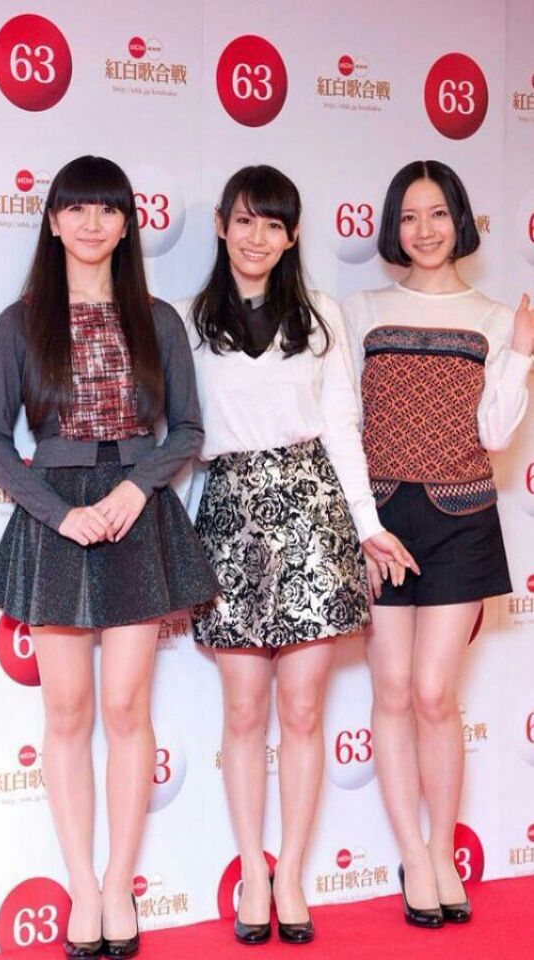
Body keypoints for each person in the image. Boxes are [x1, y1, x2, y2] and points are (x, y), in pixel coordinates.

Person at [176, 165, 417, 945]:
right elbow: (182, 440)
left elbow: (343, 428)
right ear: (221, 225)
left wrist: (367, 525)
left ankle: (293, 877)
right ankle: (254, 870)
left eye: (274, 224)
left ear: (293, 235)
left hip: (313, 512)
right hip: (229, 515)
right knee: (245, 709)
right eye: (245, 221)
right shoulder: (187, 322)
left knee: (304, 710)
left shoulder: (320, 317)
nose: (257, 238)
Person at [0, 155, 218, 959]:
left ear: (127, 224)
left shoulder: (157, 319)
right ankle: (83, 890)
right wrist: (59, 513)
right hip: (54, 517)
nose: (92, 223)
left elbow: (187, 430)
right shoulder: (21, 322)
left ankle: (120, 886)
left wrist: (135, 488)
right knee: (66, 712)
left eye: (108, 209)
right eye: (76, 209)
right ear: (53, 222)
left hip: (134, 513)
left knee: (126, 708)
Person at [343, 159, 534, 928]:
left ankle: (444, 848)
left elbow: (496, 435)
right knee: (391, 689)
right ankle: (414, 858)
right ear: (393, 227)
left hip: (461, 519)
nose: (424, 230)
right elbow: (345, 425)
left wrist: (522, 352)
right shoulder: (361, 310)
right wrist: (364, 523)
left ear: (460, 220)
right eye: (409, 216)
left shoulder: (493, 317)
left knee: (431, 693)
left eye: (437, 214)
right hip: (383, 522)